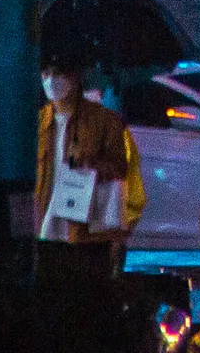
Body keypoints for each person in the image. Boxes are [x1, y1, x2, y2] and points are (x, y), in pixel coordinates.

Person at [35, 59, 145, 271]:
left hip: (87, 236)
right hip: (45, 232)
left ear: (75, 77)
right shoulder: (37, 122)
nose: (51, 81)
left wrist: (90, 162)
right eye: (45, 74)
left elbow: (120, 172)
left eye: (58, 74)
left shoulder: (105, 122)